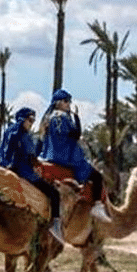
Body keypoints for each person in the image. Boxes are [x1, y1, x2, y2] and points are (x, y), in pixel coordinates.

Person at [39, 89, 110, 222]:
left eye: (69, 101)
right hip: (66, 157)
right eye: (66, 101)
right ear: (58, 103)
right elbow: (76, 134)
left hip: (49, 155)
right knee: (97, 176)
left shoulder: (48, 119)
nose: (69, 104)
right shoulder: (63, 117)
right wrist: (76, 117)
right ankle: (97, 206)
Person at [0, 106, 64, 242]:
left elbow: (7, 153)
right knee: (54, 193)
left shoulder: (13, 132)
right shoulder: (19, 134)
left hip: (15, 170)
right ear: (23, 119)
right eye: (30, 119)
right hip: (24, 172)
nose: (32, 122)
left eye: (33, 120)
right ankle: (55, 225)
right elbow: (31, 157)